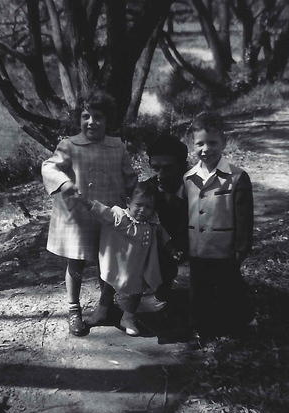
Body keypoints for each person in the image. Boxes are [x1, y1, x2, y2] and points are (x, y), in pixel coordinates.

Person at [41, 90, 137, 337]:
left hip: (109, 214)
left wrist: (137, 198)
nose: (91, 122)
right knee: (76, 263)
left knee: (109, 262)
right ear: (79, 119)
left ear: (108, 121)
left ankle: (105, 305)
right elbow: (49, 167)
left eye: (98, 117)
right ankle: (74, 309)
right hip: (78, 217)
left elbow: (129, 178)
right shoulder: (69, 145)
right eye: (86, 116)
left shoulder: (117, 147)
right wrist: (63, 183)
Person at [73, 182, 181, 336]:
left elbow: (162, 234)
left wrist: (172, 249)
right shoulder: (120, 216)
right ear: (129, 202)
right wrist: (83, 200)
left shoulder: (152, 222)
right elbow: (102, 211)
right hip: (118, 265)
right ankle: (101, 311)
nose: (143, 210)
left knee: (136, 293)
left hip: (139, 266)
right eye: (139, 204)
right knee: (108, 287)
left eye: (148, 207)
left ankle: (128, 317)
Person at [183, 111, 254, 338]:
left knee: (227, 288)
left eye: (212, 143)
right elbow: (186, 212)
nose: (206, 149)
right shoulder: (188, 178)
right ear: (191, 145)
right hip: (197, 247)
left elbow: (244, 217)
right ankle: (202, 329)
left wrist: (242, 247)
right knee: (200, 288)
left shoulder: (237, 177)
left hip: (224, 248)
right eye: (199, 144)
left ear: (224, 141)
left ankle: (235, 326)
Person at [145, 134, 189, 304]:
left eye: (168, 168)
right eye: (155, 168)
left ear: (182, 166)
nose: (160, 175)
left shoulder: (197, 191)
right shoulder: (145, 192)